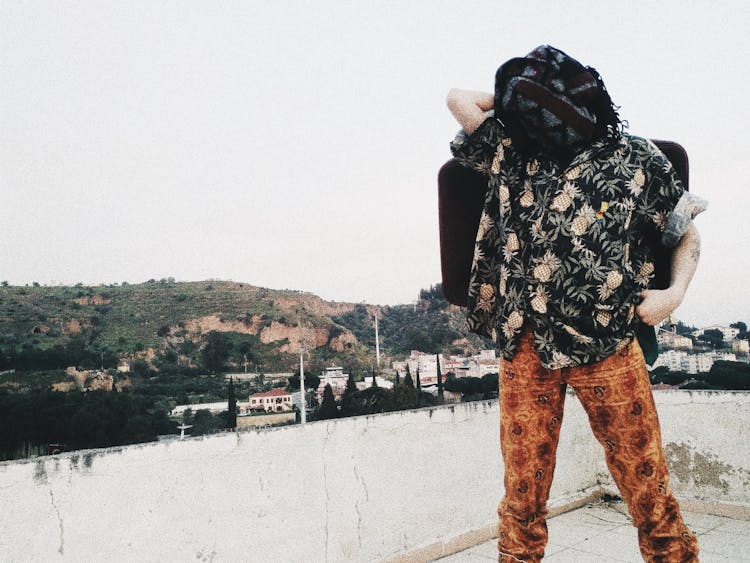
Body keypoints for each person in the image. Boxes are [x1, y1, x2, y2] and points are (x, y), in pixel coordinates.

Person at [446, 45, 705, 563]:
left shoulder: (637, 160)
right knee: (522, 497)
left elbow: (686, 234)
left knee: (647, 487)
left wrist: (673, 295)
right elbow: (459, 100)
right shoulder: (513, 148)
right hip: (525, 347)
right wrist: (524, 98)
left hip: (608, 344)